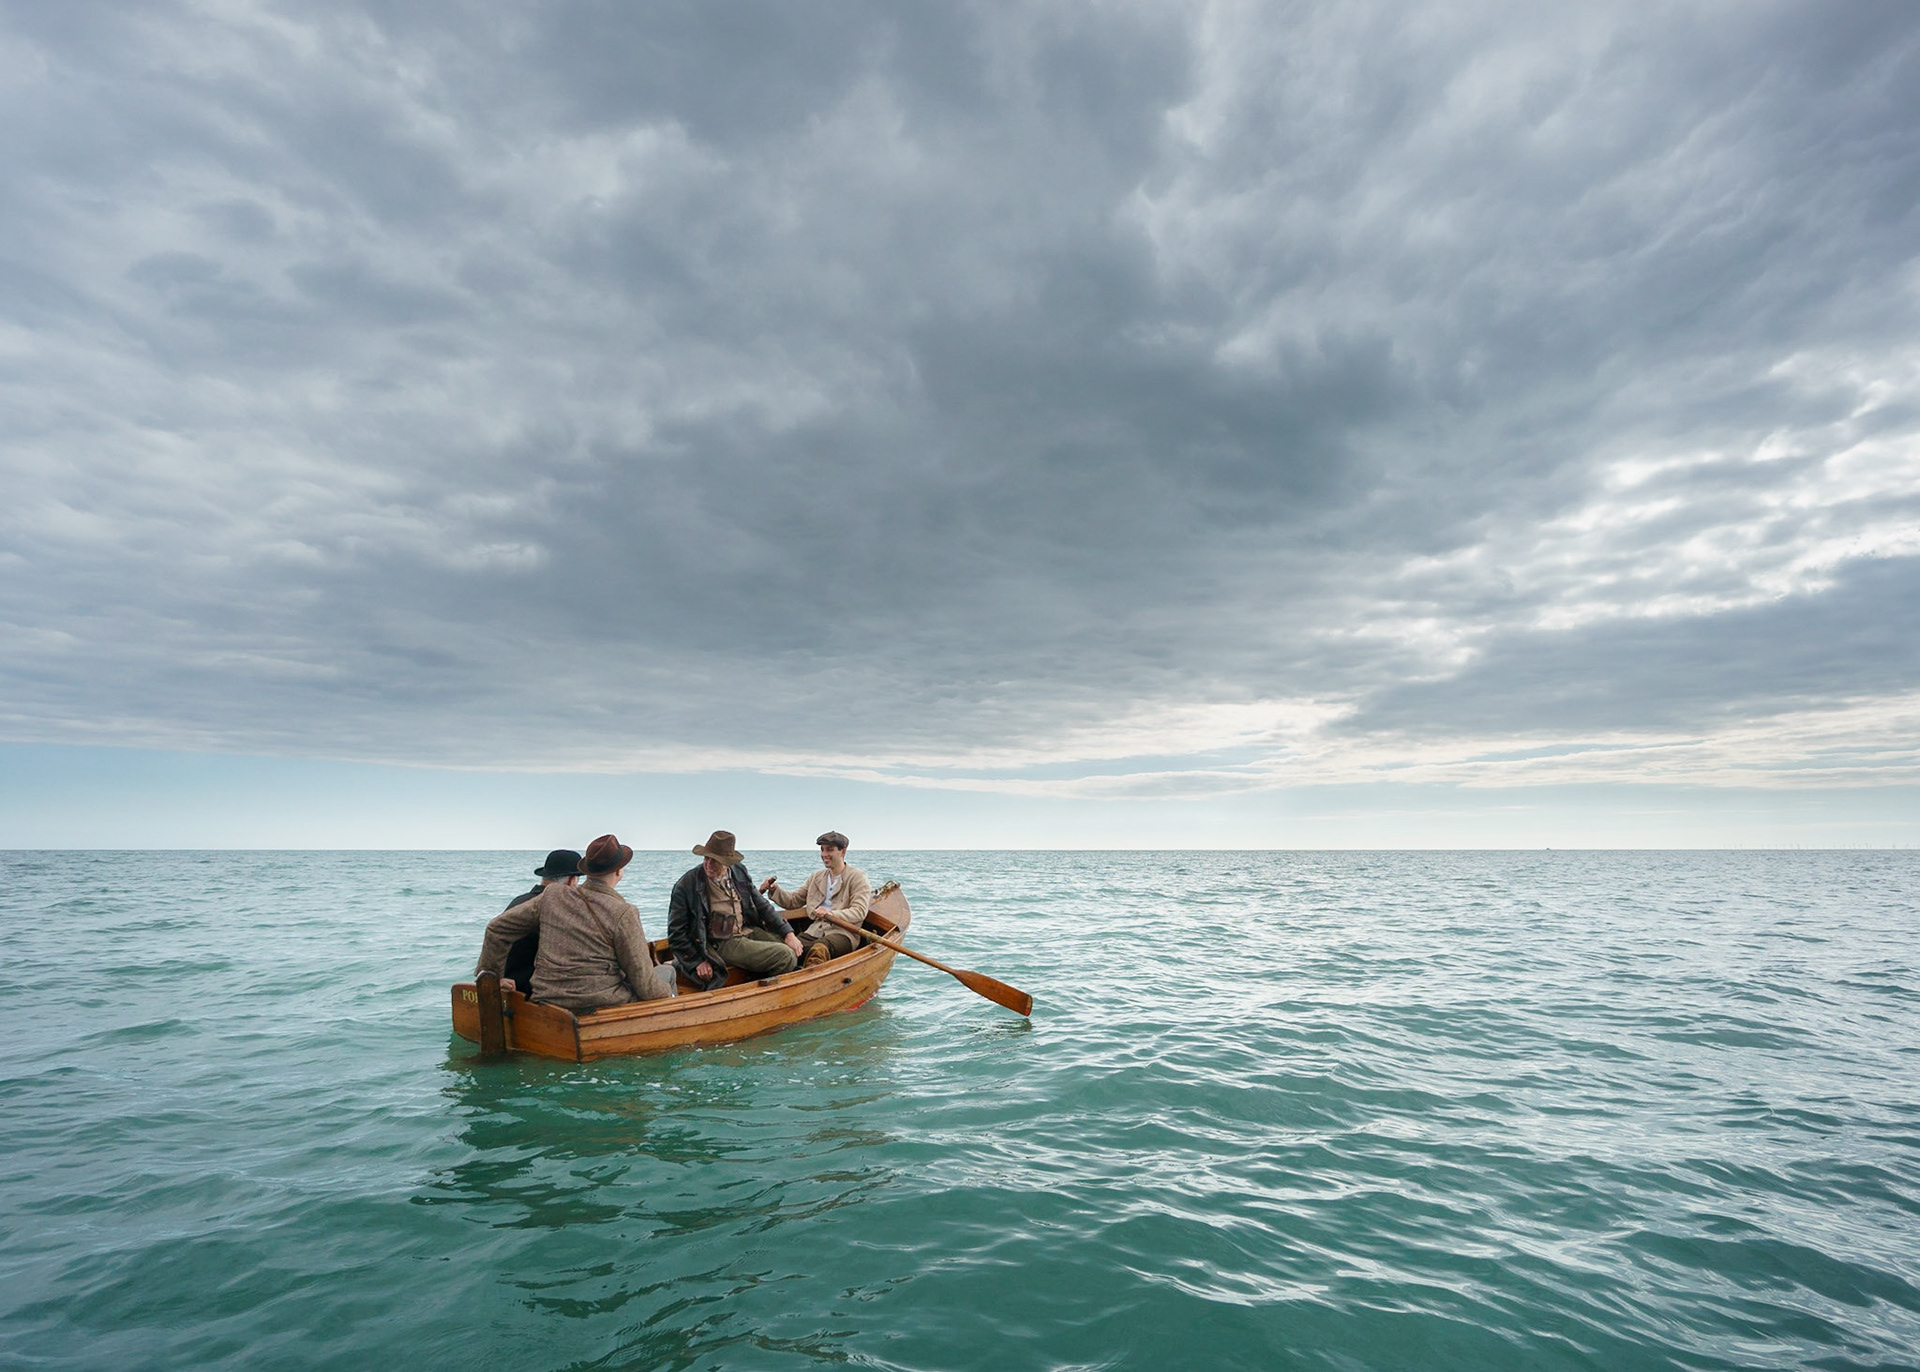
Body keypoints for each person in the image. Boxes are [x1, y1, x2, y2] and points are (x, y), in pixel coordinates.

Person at [474, 833, 675, 1012]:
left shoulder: (552, 895)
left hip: (547, 1001)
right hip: (600, 1004)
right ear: (619, 871)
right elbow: (644, 984)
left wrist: (492, 978)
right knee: (668, 972)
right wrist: (668, 995)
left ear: (587, 871)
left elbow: (496, 928)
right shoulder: (624, 912)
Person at [668, 829, 802, 990]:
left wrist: (788, 933)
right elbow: (676, 932)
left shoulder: (739, 871)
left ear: (727, 862)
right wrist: (696, 961)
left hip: (747, 930)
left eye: (715, 860)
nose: (708, 864)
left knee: (793, 950)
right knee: (785, 956)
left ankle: (757, 980)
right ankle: (757, 989)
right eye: (706, 858)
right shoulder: (686, 885)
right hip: (719, 942)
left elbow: (761, 905)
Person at [760, 830, 872, 967]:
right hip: (814, 932)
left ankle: (810, 982)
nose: (824, 854)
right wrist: (774, 890)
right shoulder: (816, 877)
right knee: (786, 951)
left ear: (842, 852)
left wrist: (831, 914)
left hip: (843, 933)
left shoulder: (857, 877)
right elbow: (793, 901)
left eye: (829, 850)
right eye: (822, 850)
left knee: (819, 949)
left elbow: (859, 911)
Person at [499, 848, 580, 994]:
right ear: (571, 880)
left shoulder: (520, 901)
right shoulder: (556, 907)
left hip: (508, 982)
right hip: (531, 989)